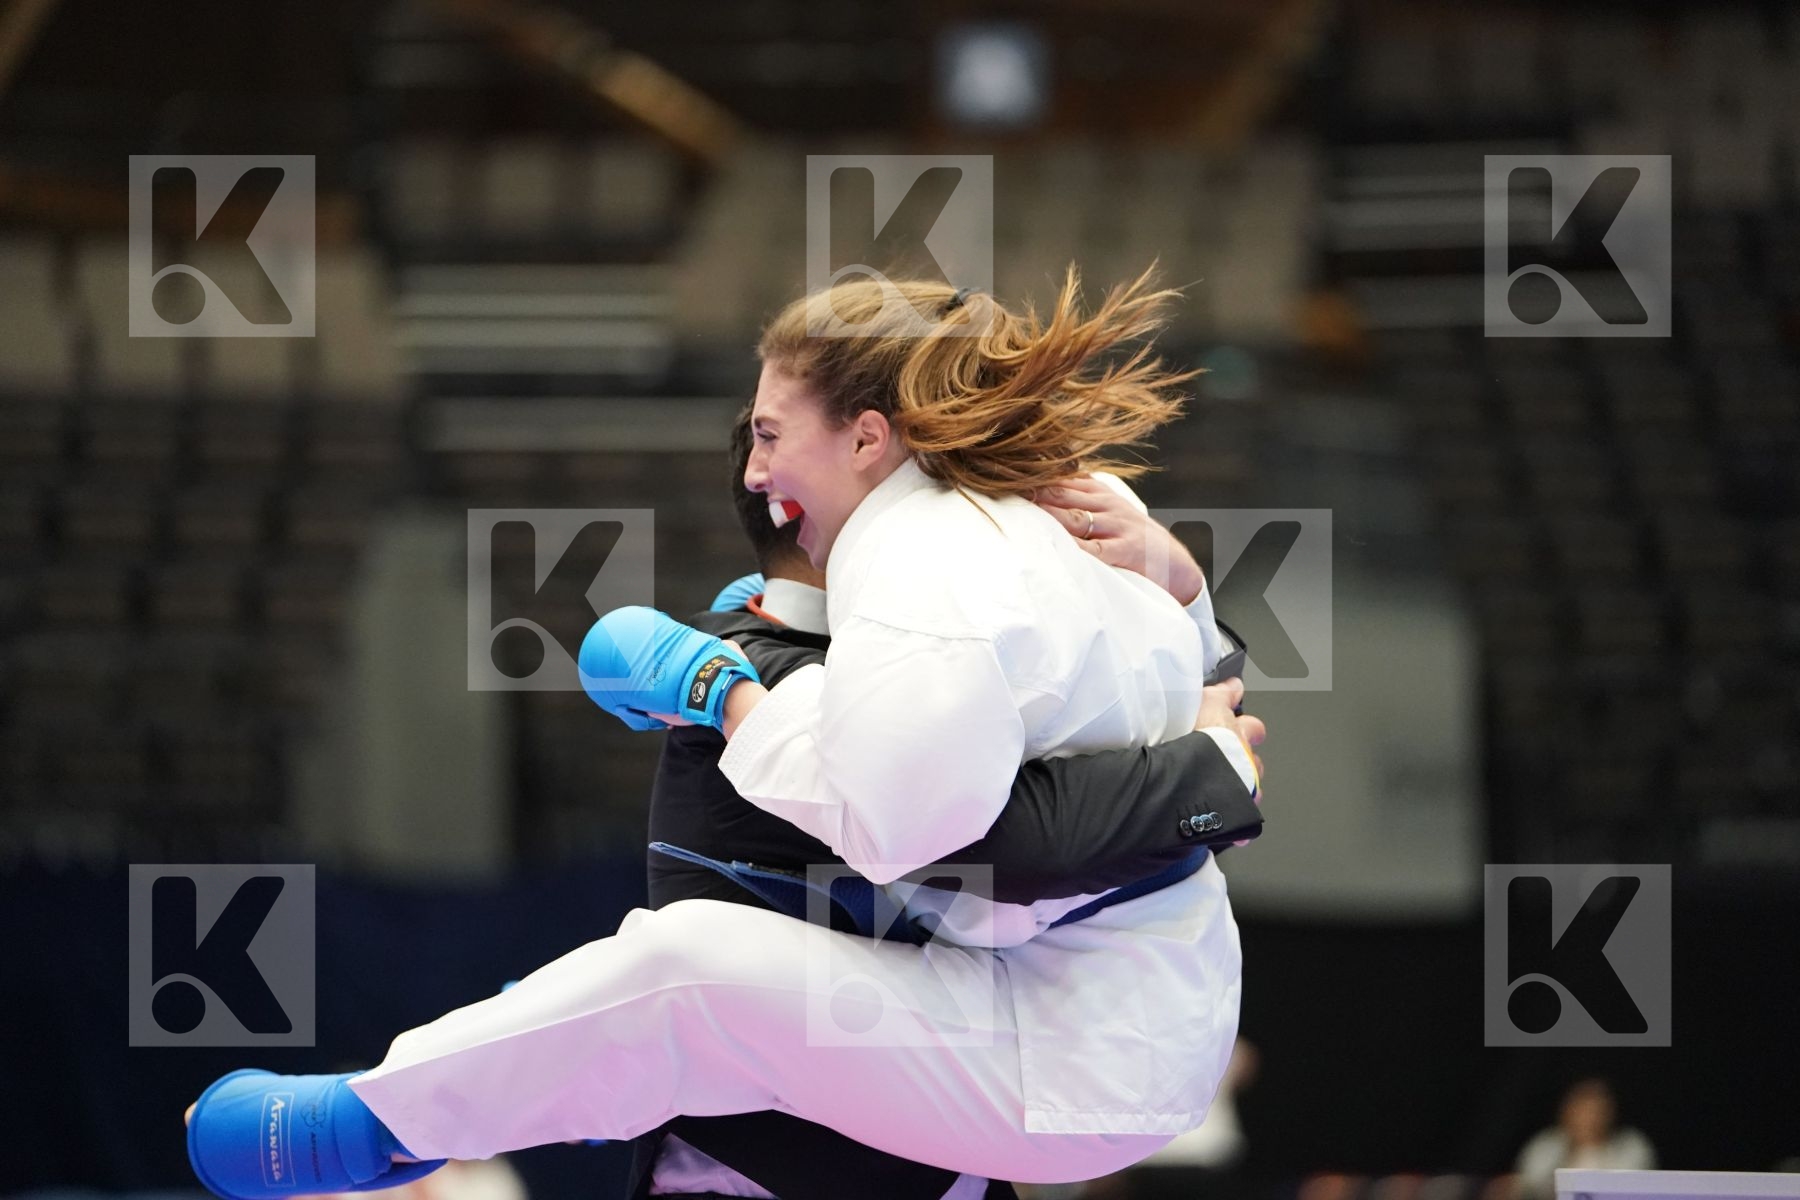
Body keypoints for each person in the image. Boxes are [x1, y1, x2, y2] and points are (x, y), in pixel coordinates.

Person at [184, 270, 1260, 1192]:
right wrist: (1193, 601)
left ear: (869, 438)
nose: (755, 470)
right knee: (689, 989)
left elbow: (915, 833)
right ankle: (492, 1070)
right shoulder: (1083, 509)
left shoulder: (922, 555)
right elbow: (1181, 703)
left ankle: (381, 1123)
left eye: (770, 432)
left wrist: (722, 691)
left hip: (1065, 1054)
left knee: (693, 966)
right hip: (1102, 1018)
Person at [626, 407, 1267, 1200]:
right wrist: (1215, 769)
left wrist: (1183, 590)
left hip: (911, 1139)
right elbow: (1021, 849)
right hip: (788, 1162)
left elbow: (1135, 724)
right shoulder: (793, 670)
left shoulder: (884, 654)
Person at [1511, 1079, 1656, 1200]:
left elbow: (1629, 1189)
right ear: (1566, 1112)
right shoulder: (1546, 1145)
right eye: (1582, 1111)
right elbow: (1530, 1185)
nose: (1589, 1119)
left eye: (1597, 1111)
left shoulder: (1631, 1145)